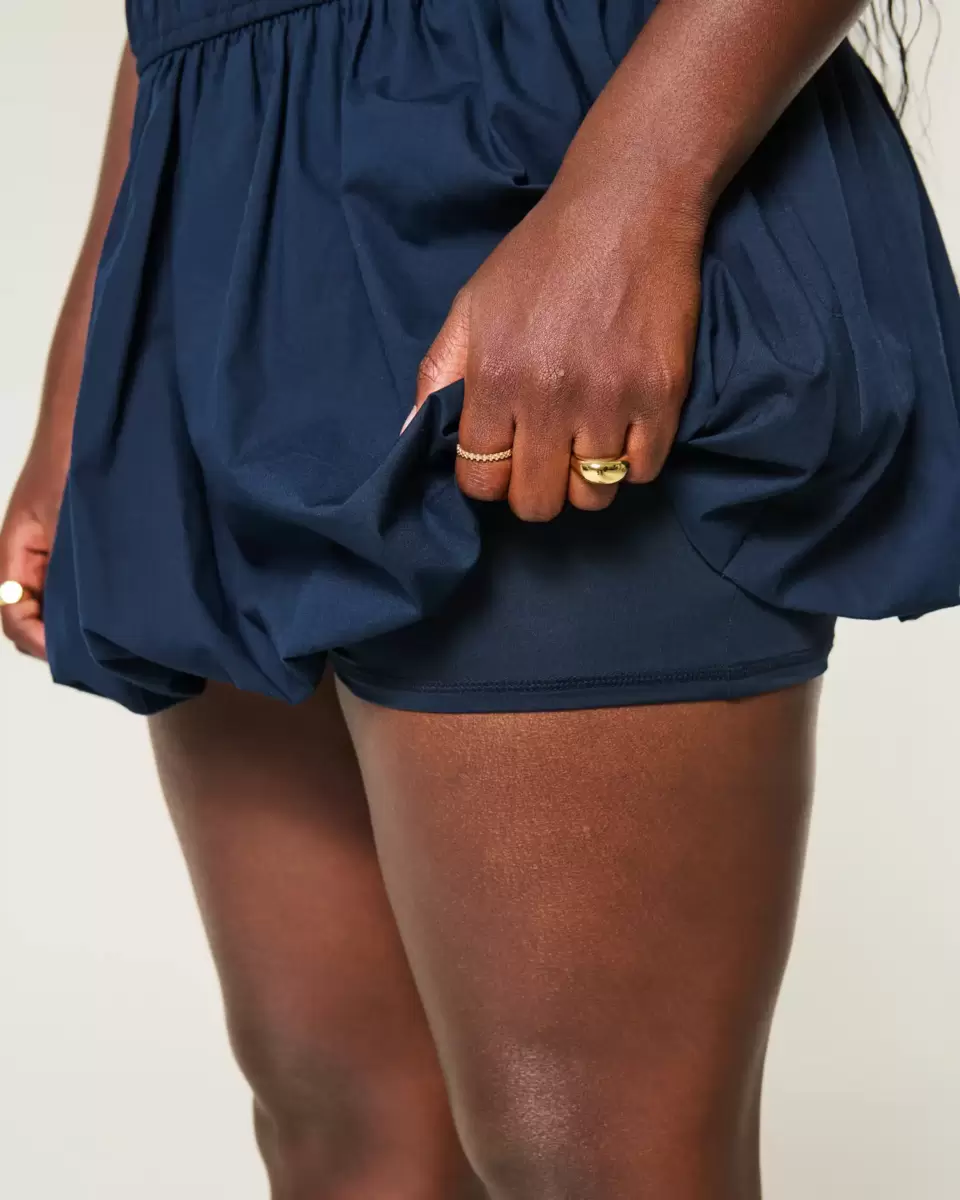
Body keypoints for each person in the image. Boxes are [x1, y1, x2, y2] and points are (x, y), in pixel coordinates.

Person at [2, 2, 958, 1196]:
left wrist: (628, 204)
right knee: (343, 1128)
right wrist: (89, 358)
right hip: (224, 211)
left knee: (587, 1153)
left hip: (549, 147)